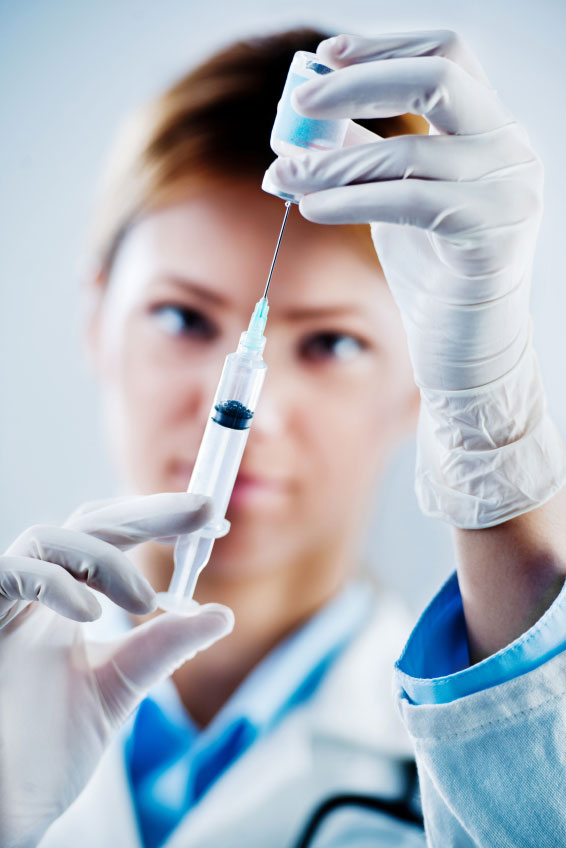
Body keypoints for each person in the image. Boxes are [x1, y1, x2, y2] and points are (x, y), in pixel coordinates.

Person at [1, 25, 565, 848]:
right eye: (181, 317)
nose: (251, 410)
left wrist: (498, 437)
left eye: (333, 342)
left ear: (420, 378)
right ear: (96, 321)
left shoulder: (504, 756)